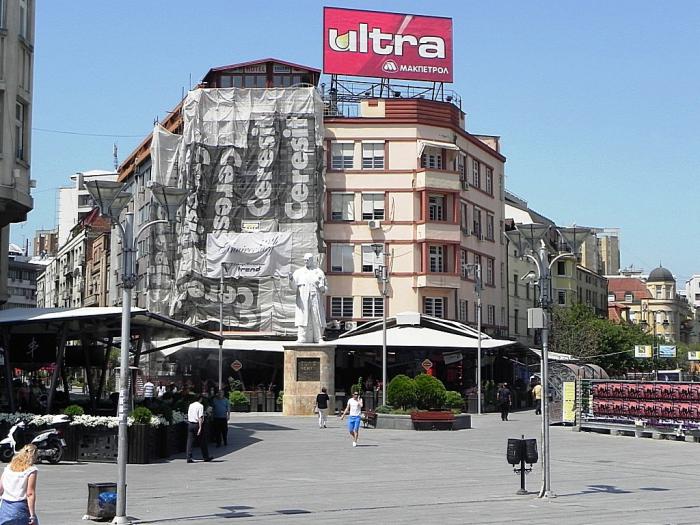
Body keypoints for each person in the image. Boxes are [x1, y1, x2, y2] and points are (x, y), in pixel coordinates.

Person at [289, 253, 327, 343]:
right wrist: (291, 280)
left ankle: (319, 337)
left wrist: (321, 287)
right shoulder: (298, 272)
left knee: (317, 317)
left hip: (315, 298)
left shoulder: (319, 272)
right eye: (304, 260)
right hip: (303, 299)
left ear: (311, 260)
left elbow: (326, 289)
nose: (306, 261)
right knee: (303, 318)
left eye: (307, 260)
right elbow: (293, 287)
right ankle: (302, 337)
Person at [0, 444, 39, 524]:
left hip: (5, 507)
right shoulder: (31, 470)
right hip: (20, 507)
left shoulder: (9, 468)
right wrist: (32, 515)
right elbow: (30, 494)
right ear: (34, 455)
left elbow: (0, 488)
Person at [186, 393, 212, 463]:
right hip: (197, 424)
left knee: (190, 441)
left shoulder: (191, 405)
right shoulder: (200, 406)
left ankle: (189, 457)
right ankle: (206, 457)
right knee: (202, 441)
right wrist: (200, 427)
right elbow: (200, 417)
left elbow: (189, 414)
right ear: (200, 399)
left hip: (190, 423)